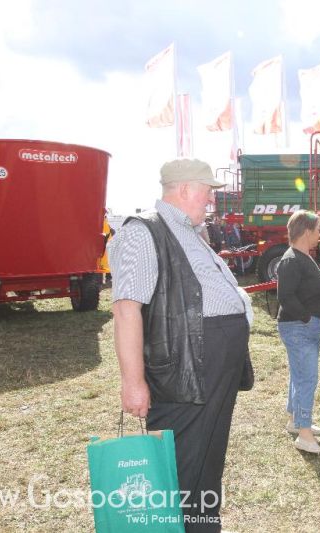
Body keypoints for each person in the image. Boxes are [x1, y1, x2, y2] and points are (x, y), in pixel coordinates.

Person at [109, 158, 253, 532]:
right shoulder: (144, 232)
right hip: (185, 371)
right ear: (186, 189)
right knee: (183, 465)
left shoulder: (187, 231)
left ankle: (204, 526)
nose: (211, 201)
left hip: (208, 367)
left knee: (206, 458)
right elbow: (126, 310)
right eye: (207, 192)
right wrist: (133, 382)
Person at [276, 210, 320, 454]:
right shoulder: (291, 259)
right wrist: (307, 318)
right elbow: (285, 296)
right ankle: (304, 434)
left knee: (299, 376)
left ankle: (295, 420)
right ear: (306, 232)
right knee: (306, 379)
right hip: (299, 328)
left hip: (305, 328)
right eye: (318, 230)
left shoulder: (303, 257)